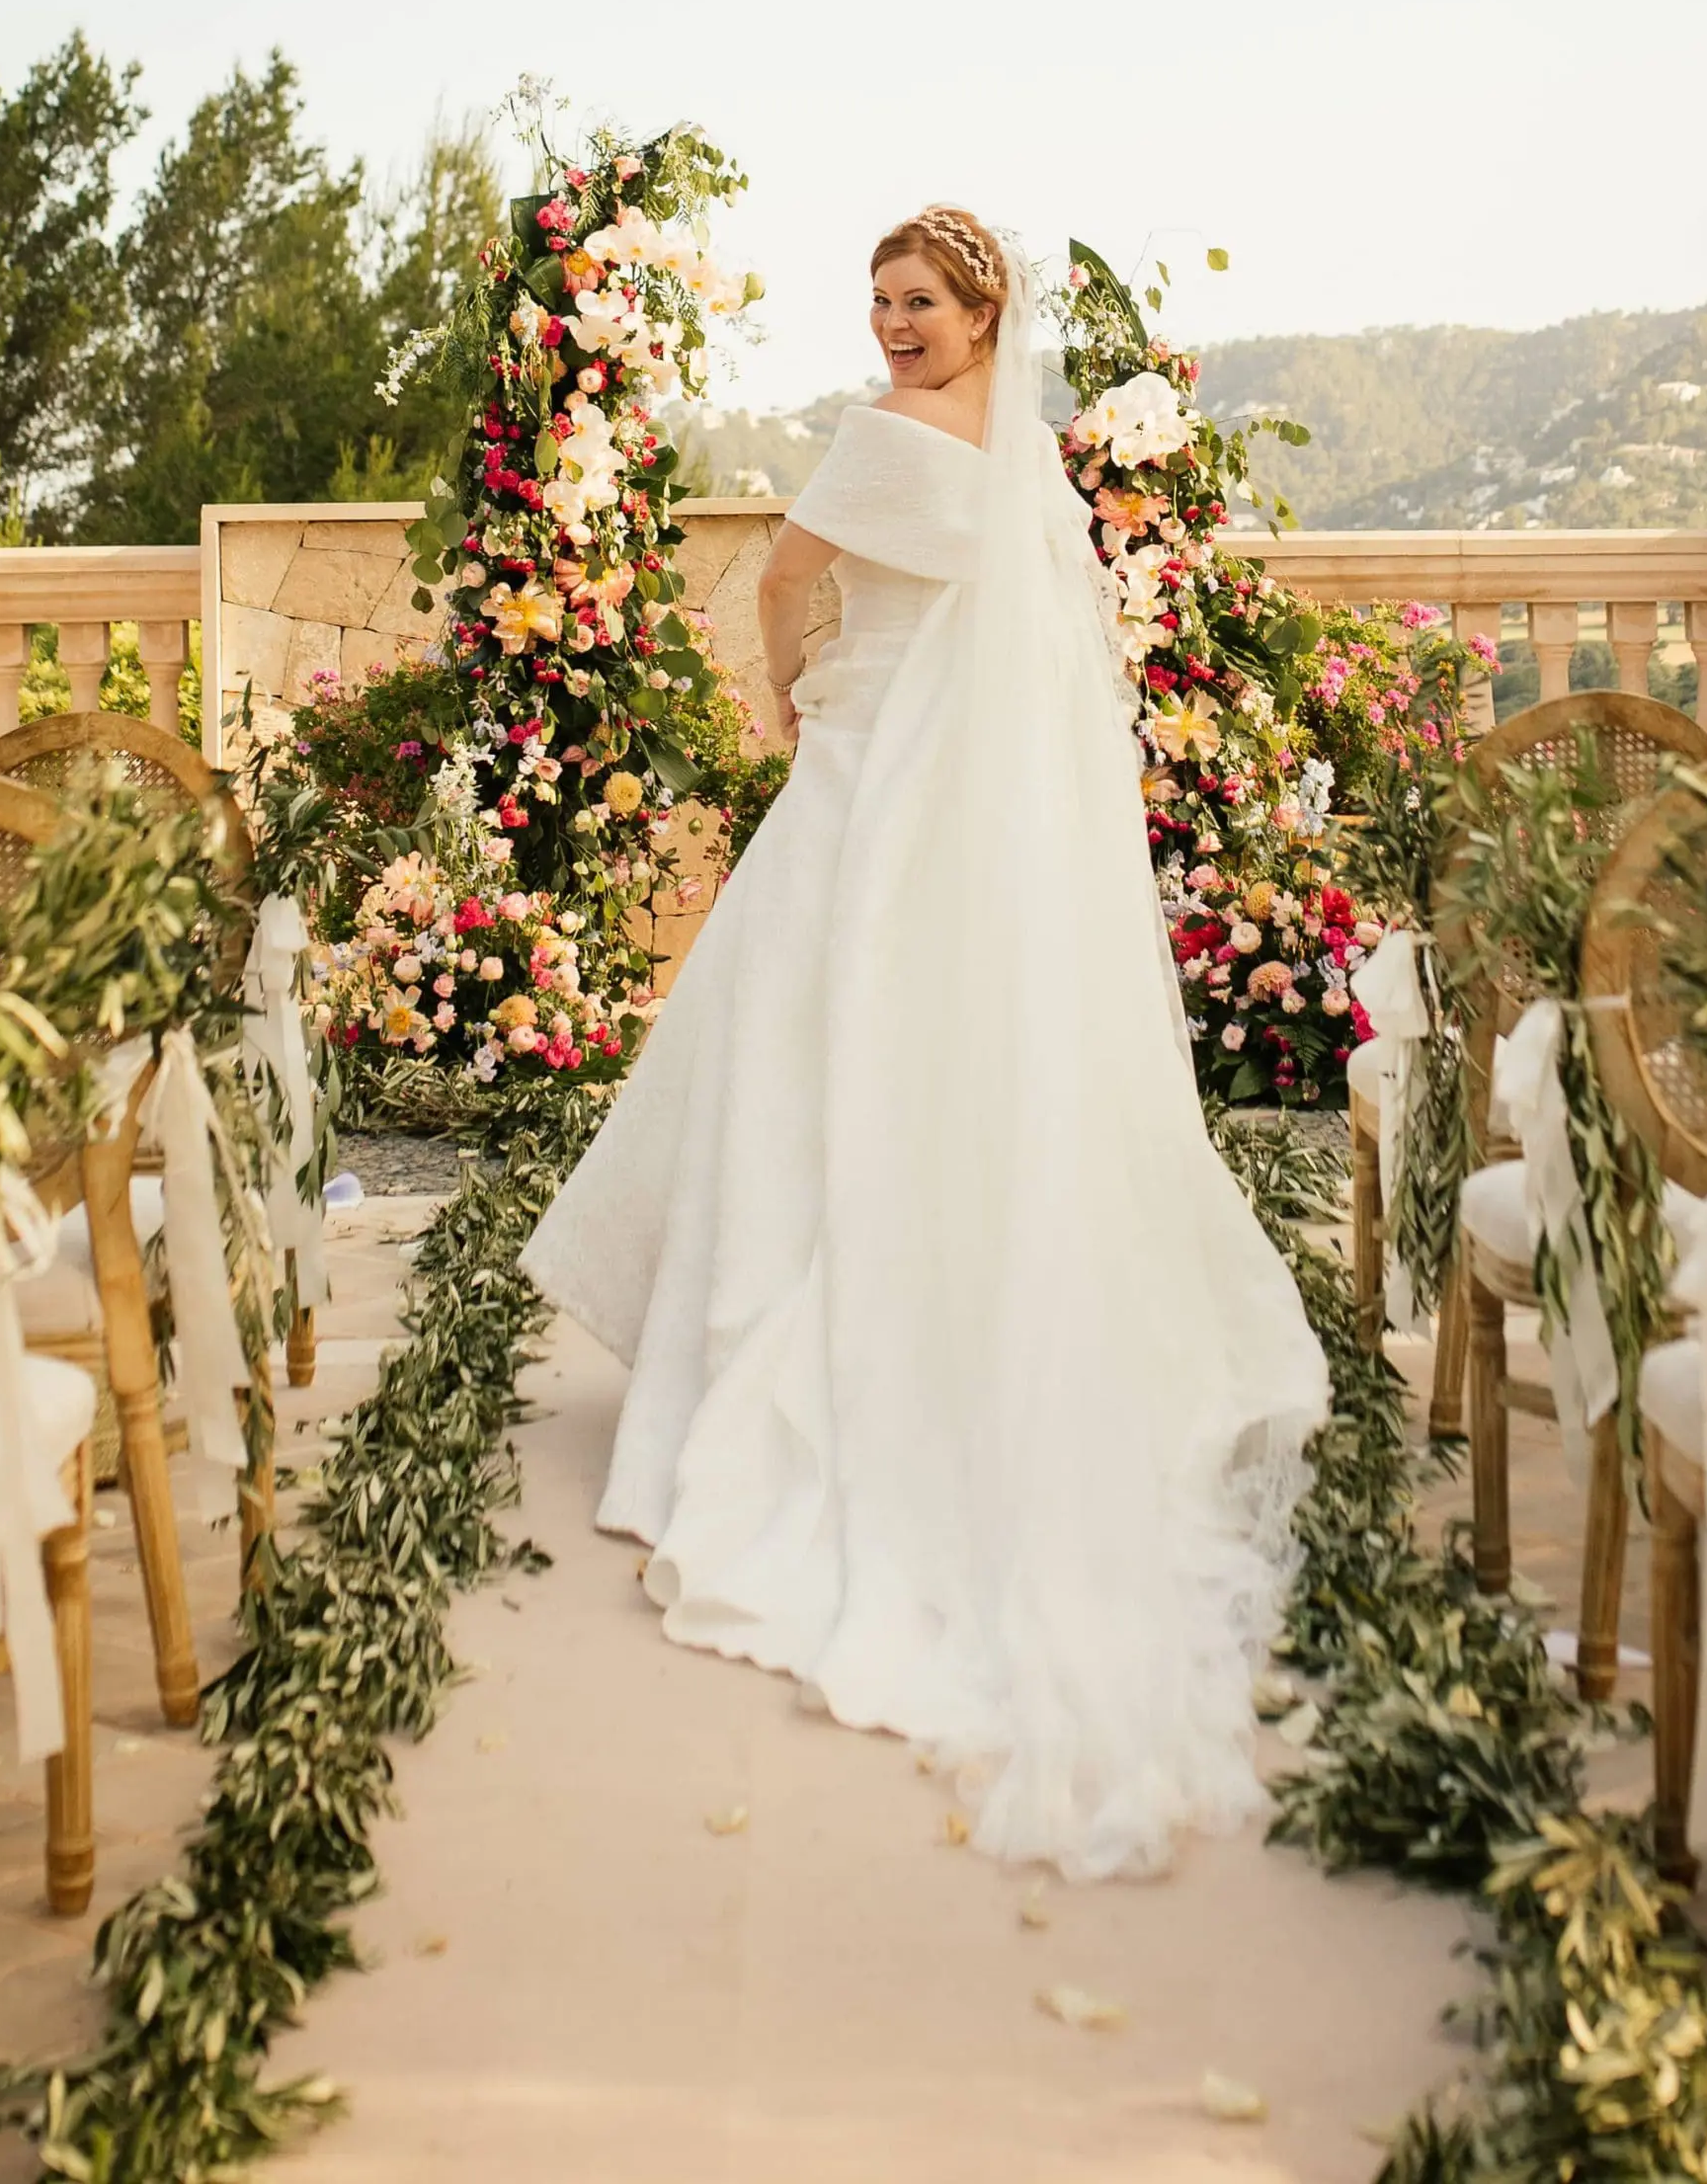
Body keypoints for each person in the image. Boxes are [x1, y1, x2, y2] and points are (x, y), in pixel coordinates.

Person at [520, 206, 1328, 1880]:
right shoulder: (1021, 454)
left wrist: (790, 693)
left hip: (867, 775)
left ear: (981, 311)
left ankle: (778, 1348)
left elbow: (780, 577)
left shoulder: (884, 438)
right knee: (921, 1080)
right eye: (878, 300)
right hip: (971, 813)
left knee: (801, 1062)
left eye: (920, 301)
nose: (892, 324)